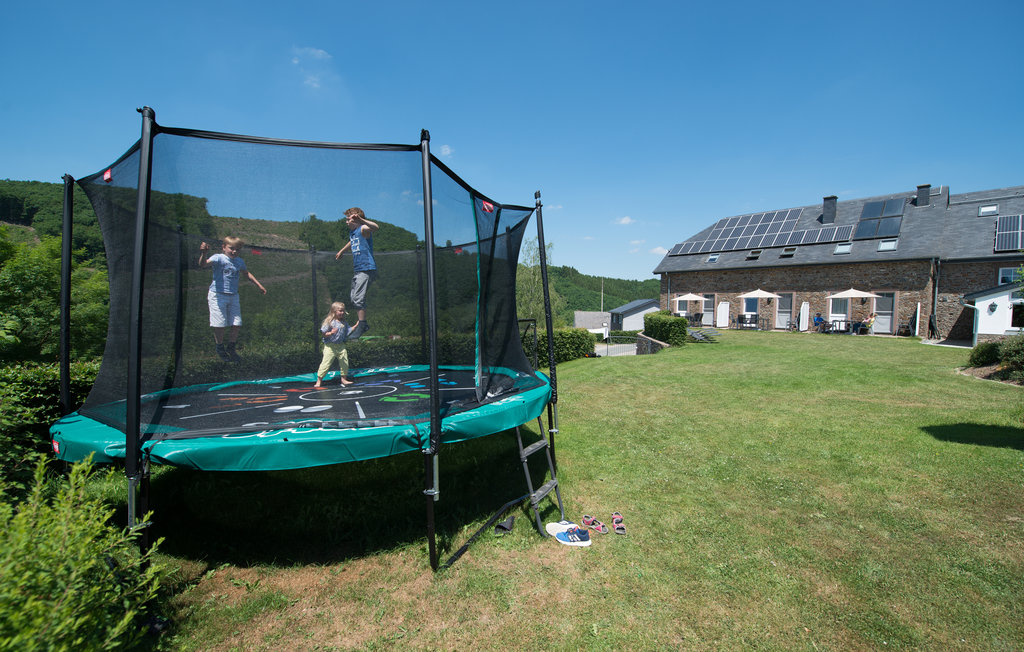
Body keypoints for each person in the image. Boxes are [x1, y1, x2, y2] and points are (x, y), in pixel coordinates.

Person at [199, 236, 266, 362]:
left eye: (237, 249)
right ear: (224, 247)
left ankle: (231, 348)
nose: (234, 252)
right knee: (220, 323)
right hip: (217, 294)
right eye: (231, 248)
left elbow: (246, 273)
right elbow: (203, 264)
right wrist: (203, 253)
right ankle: (219, 347)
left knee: (237, 323)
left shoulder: (239, 261)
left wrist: (259, 285)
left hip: (233, 295)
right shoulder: (218, 257)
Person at [335, 207, 379, 339]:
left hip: (366, 269)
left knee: (358, 299)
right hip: (358, 269)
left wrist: (360, 220)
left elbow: (375, 227)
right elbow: (351, 242)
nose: (347, 222)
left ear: (356, 220)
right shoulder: (354, 233)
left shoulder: (363, 229)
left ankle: (362, 324)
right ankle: (361, 323)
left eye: (349, 219)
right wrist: (342, 251)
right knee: (354, 298)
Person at [315, 301, 354, 388]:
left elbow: (349, 331)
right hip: (330, 346)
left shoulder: (344, 322)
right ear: (334, 311)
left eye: (343, 311)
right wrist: (331, 333)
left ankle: (344, 379)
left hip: (340, 345)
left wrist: (357, 325)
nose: (342, 313)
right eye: (340, 311)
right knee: (326, 363)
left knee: (345, 362)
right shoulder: (330, 321)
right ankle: (319, 380)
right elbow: (323, 333)